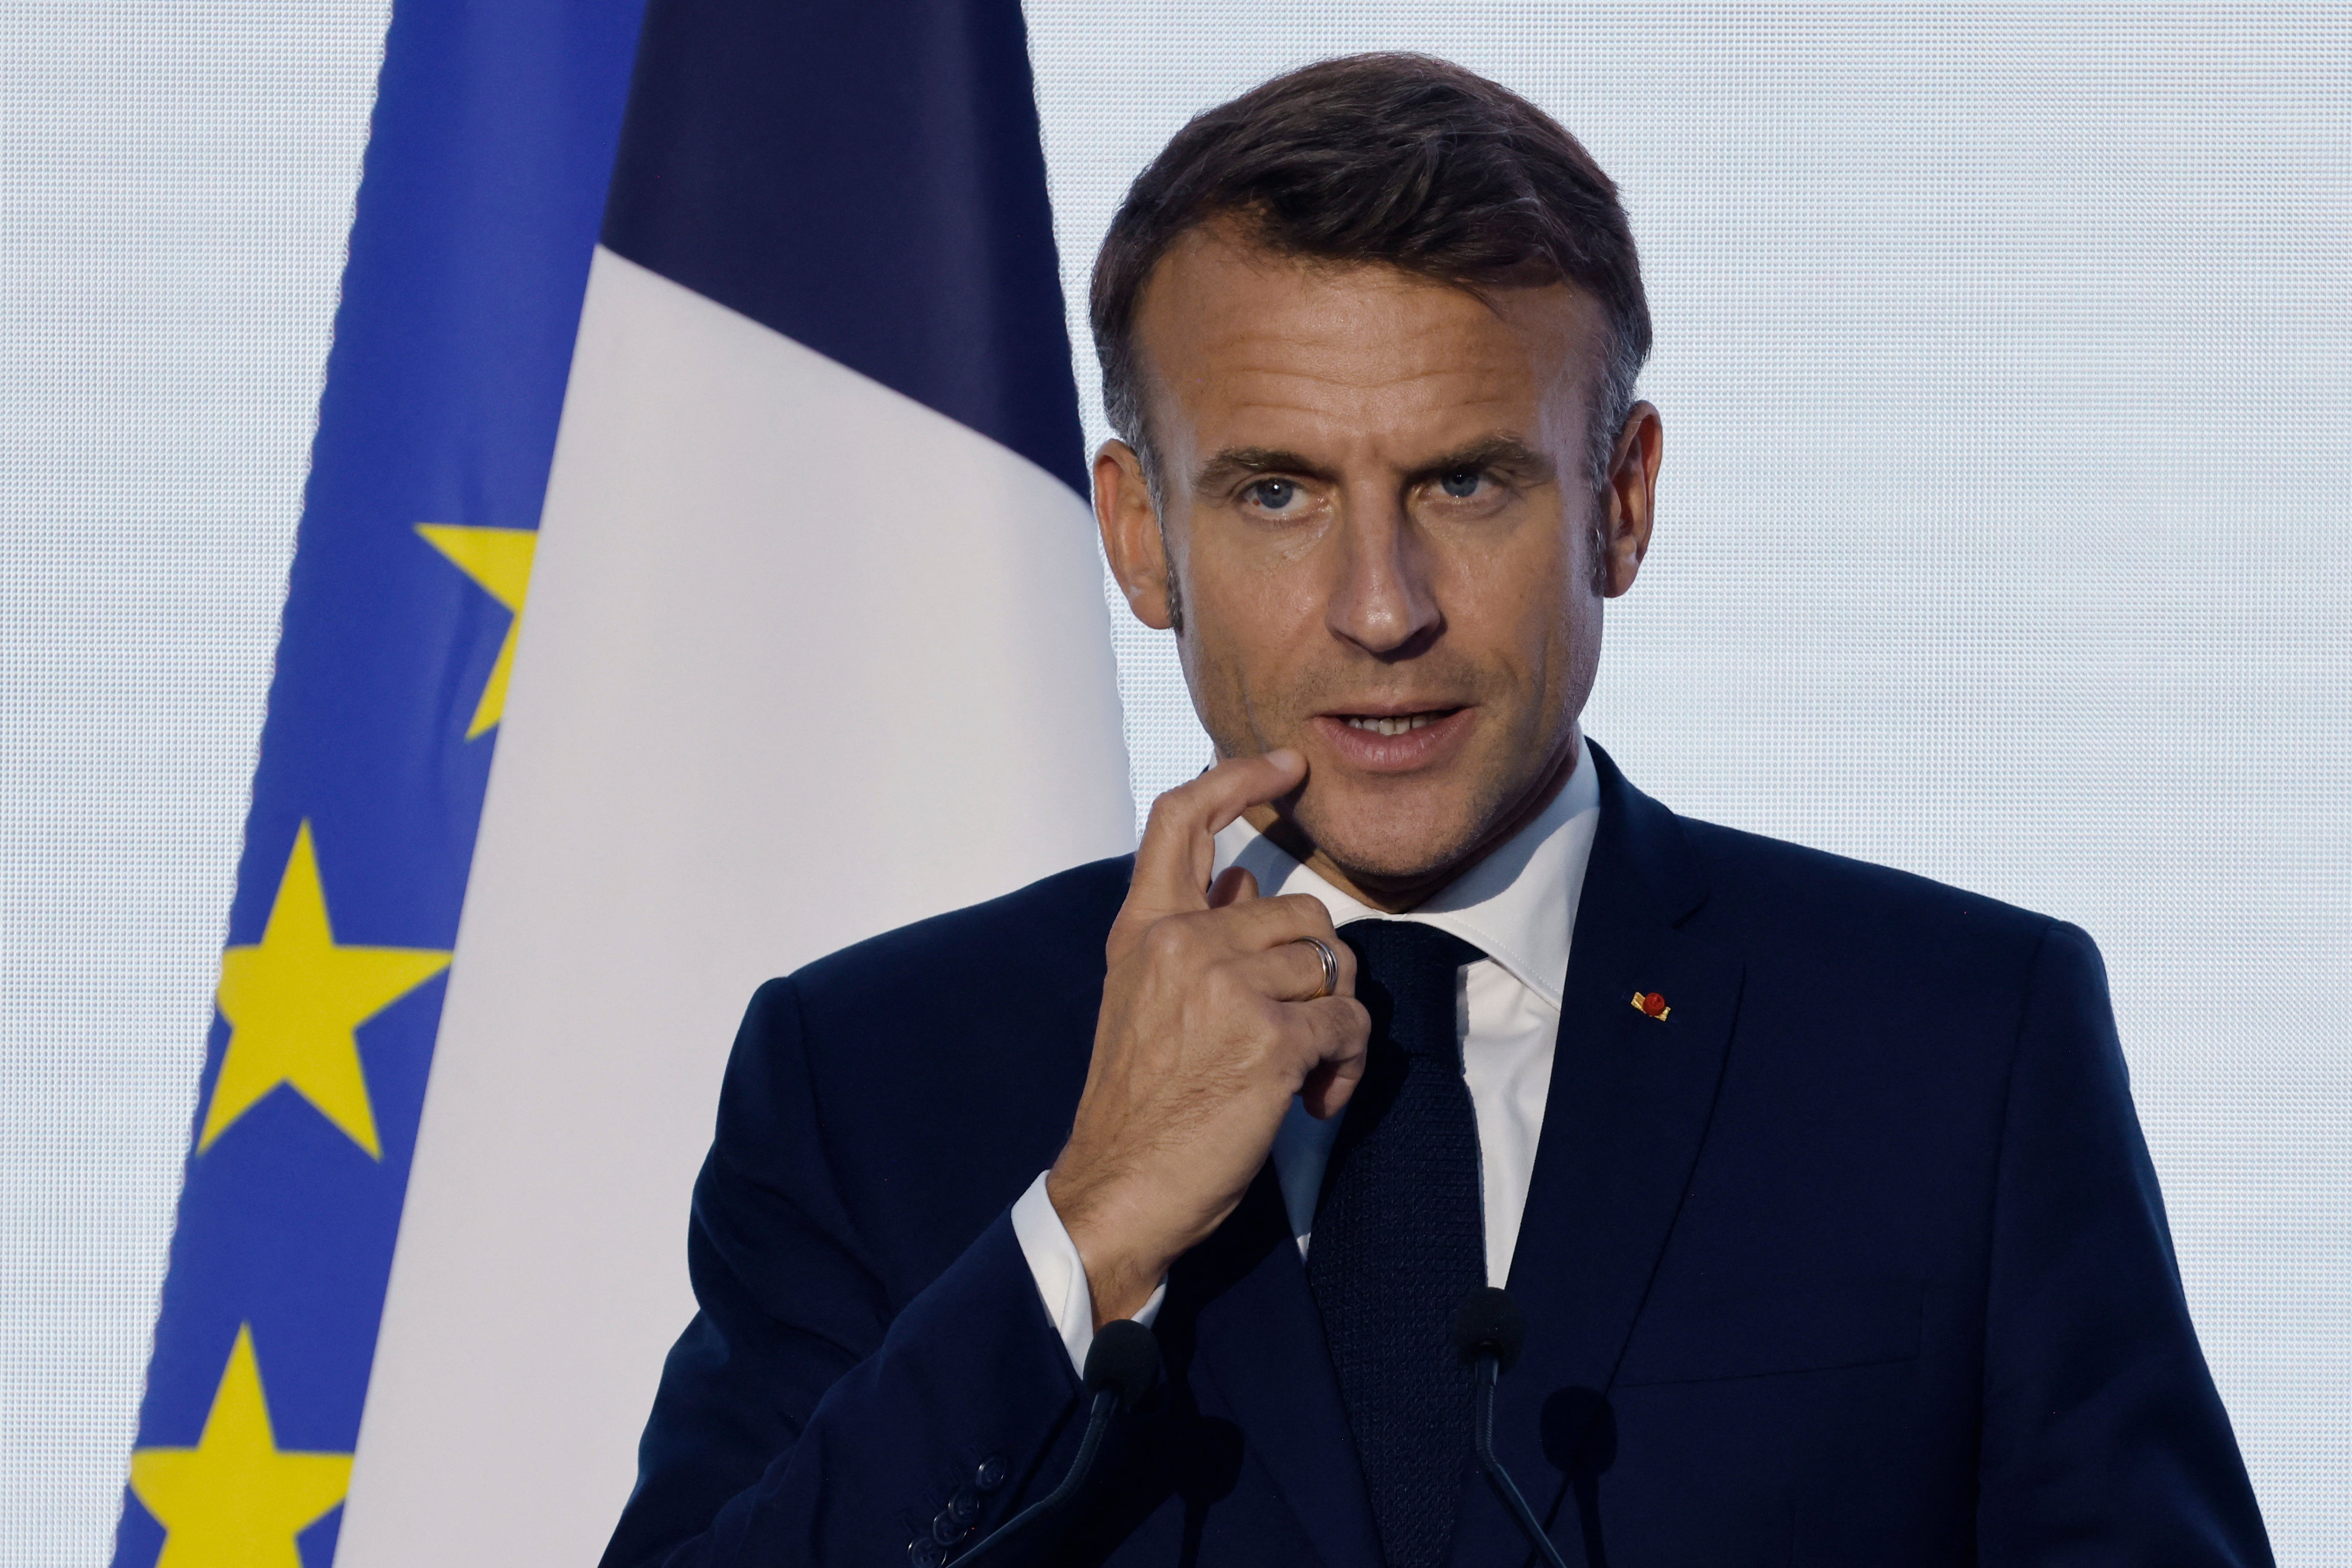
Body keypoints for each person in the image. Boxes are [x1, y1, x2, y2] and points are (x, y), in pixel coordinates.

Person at [599, 53, 2271, 1568]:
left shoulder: (1957, 1044)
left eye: (1466, 481)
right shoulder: (874, 1074)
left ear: (1621, 504)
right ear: (1139, 536)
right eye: (1277, 493)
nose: (1380, 606)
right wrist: (1088, 1224)